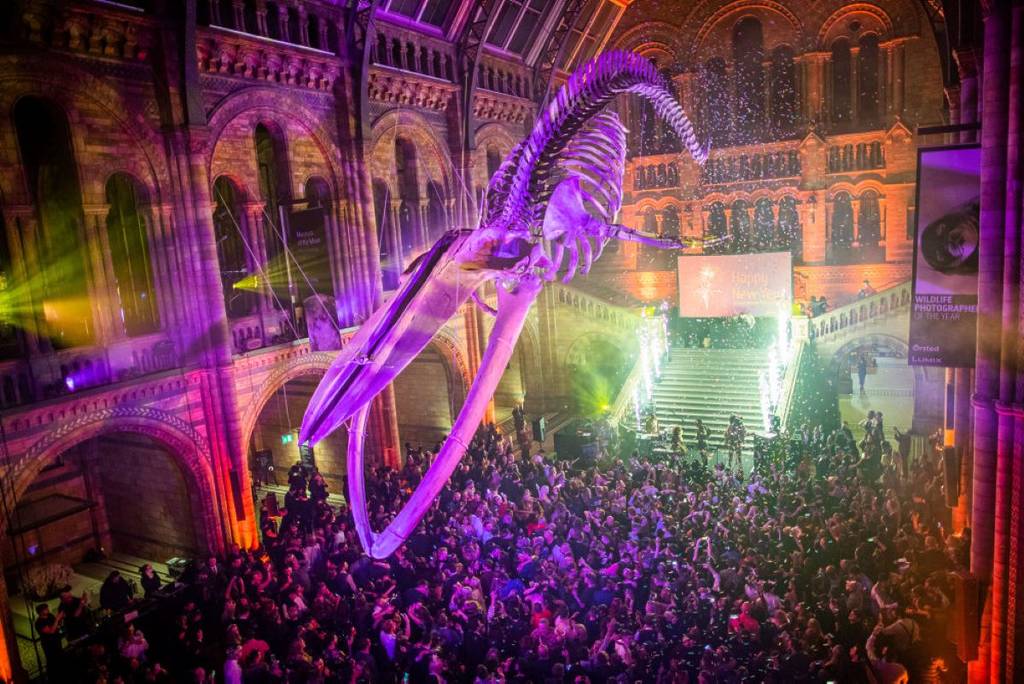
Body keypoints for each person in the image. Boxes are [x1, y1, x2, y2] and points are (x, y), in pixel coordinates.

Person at [35, 603, 63, 678]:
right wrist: (57, 619)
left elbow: (56, 625)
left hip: (57, 641)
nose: (48, 610)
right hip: (48, 645)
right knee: (52, 661)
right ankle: (52, 677)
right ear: (41, 612)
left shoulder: (50, 616)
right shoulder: (39, 623)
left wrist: (60, 620)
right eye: (46, 609)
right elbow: (51, 631)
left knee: (60, 657)